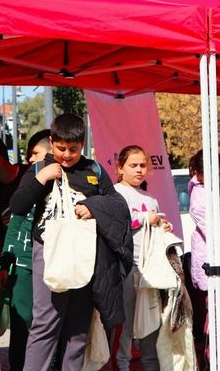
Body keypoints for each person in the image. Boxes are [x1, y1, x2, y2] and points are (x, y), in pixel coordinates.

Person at [10, 113, 132, 371]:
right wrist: (42, 178)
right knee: (45, 325)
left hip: (85, 254)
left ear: (83, 144)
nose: (66, 155)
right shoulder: (39, 168)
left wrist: (93, 207)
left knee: (78, 329)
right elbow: (18, 206)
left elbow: (117, 204)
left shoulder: (94, 170)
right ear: (52, 142)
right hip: (49, 252)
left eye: (73, 150)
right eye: (60, 148)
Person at [114, 145, 174, 371]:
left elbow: (154, 224)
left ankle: (151, 365)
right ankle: (122, 365)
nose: (139, 170)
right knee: (126, 323)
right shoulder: (115, 193)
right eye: (133, 165)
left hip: (150, 269)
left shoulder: (151, 198)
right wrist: (143, 219)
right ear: (120, 167)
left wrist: (162, 226)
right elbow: (113, 226)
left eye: (142, 165)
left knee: (151, 323)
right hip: (126, 267)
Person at [0, 129, 51, 371]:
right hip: (23, 264)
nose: (30, 159)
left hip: (55, 266)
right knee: (22, 325)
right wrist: (5, 264)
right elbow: (15, 222)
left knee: (48, 327)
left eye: (35, 153)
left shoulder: (69, 181)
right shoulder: (29, 180)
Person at [187, 149, 220, 369]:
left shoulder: (209, 190)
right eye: (212, 173)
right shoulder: (200, 198)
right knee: (214, 316)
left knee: (219, 314)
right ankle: (213, 361)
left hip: (218, 258)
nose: (218, 176)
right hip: (212, 261)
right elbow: (216, 233)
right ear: (199, 173)